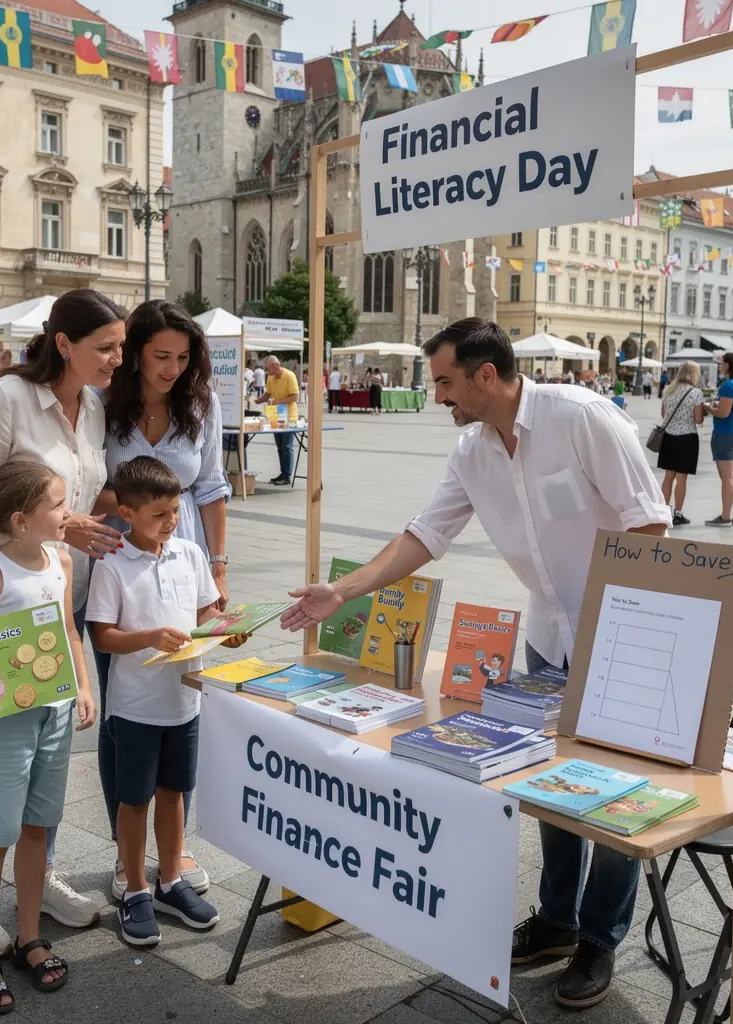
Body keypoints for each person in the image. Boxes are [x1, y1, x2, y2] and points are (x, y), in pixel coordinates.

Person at [279, 318, 670, 1011]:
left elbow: (649, 524)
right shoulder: (472, 450)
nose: (438, 397)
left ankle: (600, 939)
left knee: (612, 793)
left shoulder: (583, 419)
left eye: (446, 382)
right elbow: (426, 535)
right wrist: (340, 590)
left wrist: (618, 635)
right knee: (554, 787)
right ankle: (557, 919)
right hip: (549, 634)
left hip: (622, 636)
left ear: (486, 376)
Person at [0, 289, 125, 958]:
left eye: (121, 346)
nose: (116, 358)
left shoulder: (94, 408)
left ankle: (34, 879)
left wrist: (110, 516)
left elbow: (78, 492)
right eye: (106, 347)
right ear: (65, 344)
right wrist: (52, 522)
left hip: (55, 594)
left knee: (42, 752)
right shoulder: (7, 400)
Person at [0, 460, 97, 1014]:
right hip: (3, 722)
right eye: (57, 504)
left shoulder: (62, 560)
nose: (67, 512)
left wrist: (82, 686)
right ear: (21, 520)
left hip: (53, 715)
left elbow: (67, 628)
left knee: (37, 828)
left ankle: (29, 935)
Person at [100, 299, 229, 897]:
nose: (173, 368)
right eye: (161, 356)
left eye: (183, 357)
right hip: (112, 567)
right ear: (133, 355)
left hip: (182, 564)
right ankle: (128, 855)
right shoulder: (103, 403)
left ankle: (171, 852)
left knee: (181, 702)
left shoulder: (200, 404)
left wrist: (219, 569)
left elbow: (212, 486)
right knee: (120, 705)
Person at [87, 457, 224, 947]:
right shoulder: (112, 563)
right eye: (158, 514)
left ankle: (170, 881)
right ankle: (137, 890)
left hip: (184, 702)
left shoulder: (189, 554)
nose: (170, 522)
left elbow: (208, 611)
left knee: (174, 793)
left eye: (174, 511)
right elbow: (103, 637)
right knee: (134, 799)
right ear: (127, 512)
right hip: (136, 707)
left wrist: (223, 631)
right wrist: (147, 636)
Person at [705, 350, 733, 527]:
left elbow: (723, 413)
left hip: (725, 434)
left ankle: (725, 517)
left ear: (728, 366)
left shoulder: (728, 385)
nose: (720, 366)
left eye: (722, 363)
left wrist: (709, 407)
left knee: (727, 477)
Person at [657, 361, 705, 527]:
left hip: (669, 436)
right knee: (681, 477)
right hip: (687, 437)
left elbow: (664, 414)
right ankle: (678, 512)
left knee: (668, 475)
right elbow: (698, 419)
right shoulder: (696, 393)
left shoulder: (668, 390)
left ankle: (664, 511)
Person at [254, 355, 300, 485]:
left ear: (277, 365)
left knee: (286, 445)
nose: (269, 372)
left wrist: (279, 401)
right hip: (276, 413)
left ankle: (287, 475)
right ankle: (283, 473)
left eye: (269, 368)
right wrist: (257, 400)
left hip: (289, 414)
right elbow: (268, 394)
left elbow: (295, 396)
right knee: (279, 445)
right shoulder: (271, 378)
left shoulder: (290, 376)